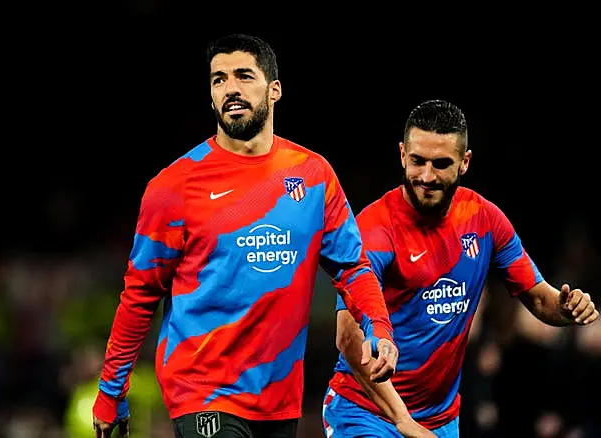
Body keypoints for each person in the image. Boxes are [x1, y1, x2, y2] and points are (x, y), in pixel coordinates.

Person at [92, 33, 399, 438]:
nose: (230, 88)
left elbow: (352, 267)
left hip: (279, 397)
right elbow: (140, 294)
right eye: (219, 80)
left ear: (275, 90)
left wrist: (379, 327)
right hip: (203, 391)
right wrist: (111, 389)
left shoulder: (313, 175)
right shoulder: (175, 186)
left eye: (243, 76)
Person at [321, 99, 599, 437]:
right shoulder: (375, 229)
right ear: (402, 155)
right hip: (365, 412)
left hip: (440, 420)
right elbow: (348, 339)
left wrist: (567, 307)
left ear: (464, 162)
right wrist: (402, 419)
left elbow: (540, 299)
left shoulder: (485, 220)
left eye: (441, 164)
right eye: (417, 161)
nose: (426, 176)